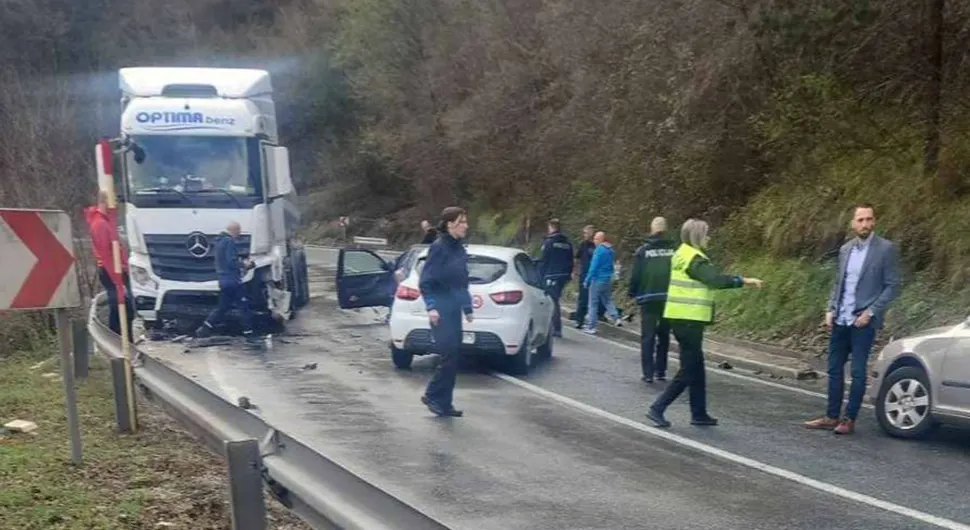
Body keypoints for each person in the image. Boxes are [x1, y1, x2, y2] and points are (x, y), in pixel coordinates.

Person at [646, 219, 763, 428]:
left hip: (681, 317)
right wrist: (743, 280)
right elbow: (714, 280)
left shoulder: (681, 253)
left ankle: (699, 413)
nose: (709, 237)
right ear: (698, 236)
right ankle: (658, 408)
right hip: (688, 319)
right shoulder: (695, 259)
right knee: (690, 368)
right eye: (707, 234)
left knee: (696, 367)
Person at [804, 203, 901, 435]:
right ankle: (831, 416)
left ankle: (849, 419)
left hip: (863, 322)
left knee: (857, 371)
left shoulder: (886, 249)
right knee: (834, 369)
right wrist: (830, 308)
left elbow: (893, 286)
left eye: (869, 219)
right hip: (841, 318)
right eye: (860, 220)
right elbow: (839, 282)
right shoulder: (846, 249)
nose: (865, 224)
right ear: (853, 223)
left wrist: (871, 312)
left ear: (874, 221)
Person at [419, 207, 473, 417]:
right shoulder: (439, 247)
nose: (466, 226)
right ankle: (432, 394)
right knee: (448, 354)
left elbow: (461, 281)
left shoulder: (458, 248)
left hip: (454, 308)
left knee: (454, 356)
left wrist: (467, 307)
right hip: (440, 309)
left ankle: (445, 402)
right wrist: (431, 307)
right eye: (462, 222)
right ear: (450, 224)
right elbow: (426, 281)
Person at [628, 216, 676, 383]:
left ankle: (647, 373)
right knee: (664, 335)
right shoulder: (675, 250)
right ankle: (661, 370)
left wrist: (632, 292)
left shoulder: (644, 250)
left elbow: (636, 274)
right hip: (668, 297)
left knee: (648, 336)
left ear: (652, 229)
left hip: (648, 297)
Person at [195, 221, 259, 345]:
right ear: (234, 230)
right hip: (233, 281)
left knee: (223, 307)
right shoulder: (229, 241)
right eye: (239, 231)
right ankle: (249, 334)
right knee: (244, 306)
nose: (239, 235)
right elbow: (231, 261)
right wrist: (245, 264)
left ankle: (204, 328)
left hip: (223, 280)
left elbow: (223, 261)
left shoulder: (218, 242)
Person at [84, 190, 135, 336]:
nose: (117, 204)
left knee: (121, 304)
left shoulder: (104, 221)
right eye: (114, 200)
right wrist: (118, 276)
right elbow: (107, 253)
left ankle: (121, 334)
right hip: (111, 270)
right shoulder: (100, 224)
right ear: (105, 202)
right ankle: (119, 335)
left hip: (114, 269)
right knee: (121, 304)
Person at [538, 218, 574, 337]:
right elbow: (571, 261)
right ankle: (552, 327)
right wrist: (568, 275)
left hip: (551, 275)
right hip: (563, 276)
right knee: (555, 299)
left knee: (552, 302)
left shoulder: (549, 242)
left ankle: (556, 328)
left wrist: (539, 275)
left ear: (551, 227)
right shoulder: (567, 244)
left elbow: (544, 260)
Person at [582, 231, 622, 334]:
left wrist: (587, 280)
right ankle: (616, 318)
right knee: (607, 300)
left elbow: (593, 267)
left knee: (593, 303)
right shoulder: (611, 251)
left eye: (595, 239)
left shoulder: (599, 250)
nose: (594, 241)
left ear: (600, 239)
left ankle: (591, 326)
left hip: (597, 279)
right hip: (607, 279)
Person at [573, 225, 605, 328]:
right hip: (585, 275)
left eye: (586, 233)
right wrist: (575, 271)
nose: (584, 235)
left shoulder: (597, 246)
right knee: (583, 298)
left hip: (595, 276)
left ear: (592, 233)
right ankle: (579, 320)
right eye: (584, 233)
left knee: (594, 299)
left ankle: (594, 319)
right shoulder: (583, 245)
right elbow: (577, 258)